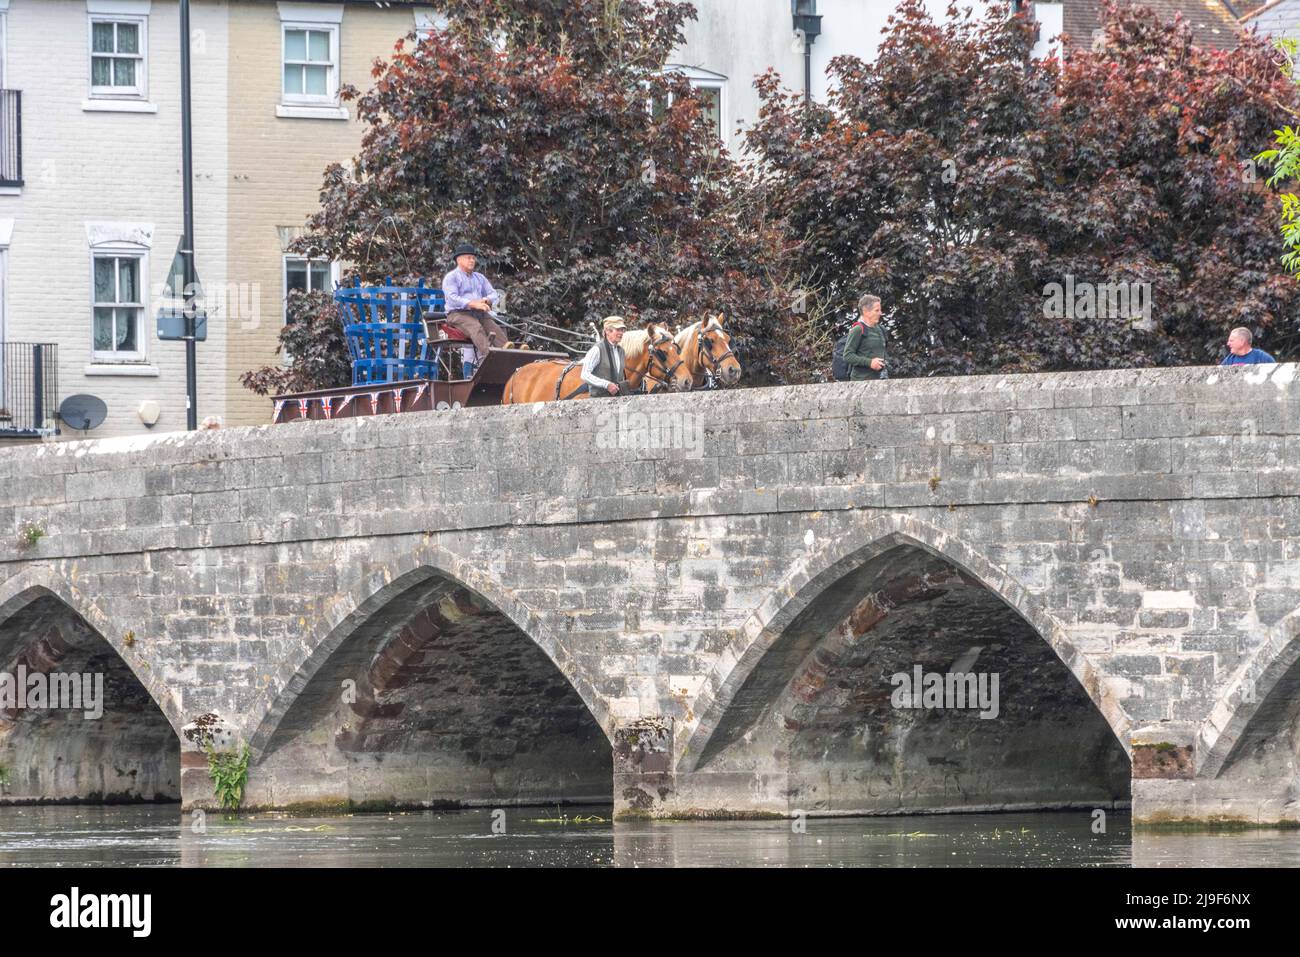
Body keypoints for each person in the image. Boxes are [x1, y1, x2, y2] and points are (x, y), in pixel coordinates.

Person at [441, 244, 508, 367]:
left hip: (479, 313)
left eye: (473, 258)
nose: (472, 260)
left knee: (495, 328)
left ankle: (509, 354)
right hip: (457, 314)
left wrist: (485, 300)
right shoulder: (451, 277)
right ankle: (491, 356)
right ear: (459, 259)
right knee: (476, 327)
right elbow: (452, 298)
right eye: (468, 257)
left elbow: (494, 294)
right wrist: (473, 304)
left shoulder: (479, 278)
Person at [842, 293, 888, 381]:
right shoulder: (858, 330)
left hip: (880, 380)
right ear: (866, 311)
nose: (880, 313)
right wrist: (870, 363)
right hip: (860, 382)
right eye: (877, 310)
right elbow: (847, 355)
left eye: (880, 310)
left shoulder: (881, 329)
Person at [581, 316, 630, 396]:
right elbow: (585, 374)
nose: (621, 333)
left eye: (622, 330)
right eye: (618, 330)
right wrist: (606, 384)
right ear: (607, 331)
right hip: (598, 401)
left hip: (617, 400)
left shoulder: (621, 351)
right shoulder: (597, 349)